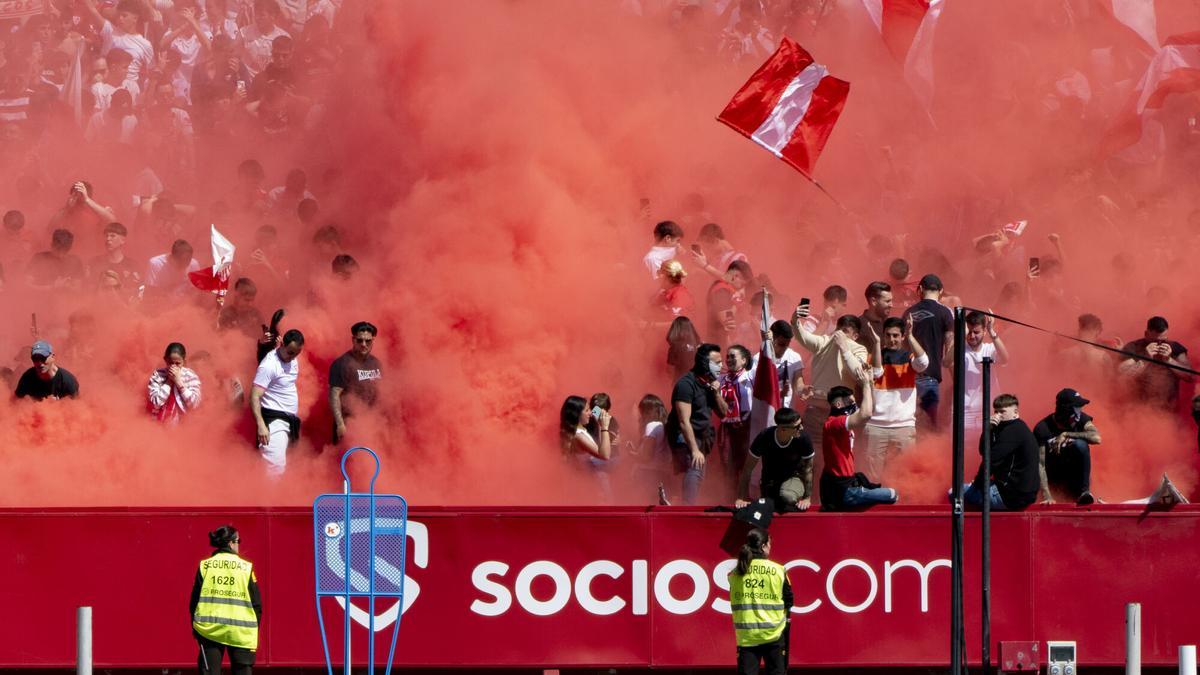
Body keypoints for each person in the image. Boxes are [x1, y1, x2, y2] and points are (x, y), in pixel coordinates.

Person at [792, 304, 869, 454]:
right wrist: (795, 319)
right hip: (815, 411)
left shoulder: (859, 349)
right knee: (809, 454)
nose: (839, 335)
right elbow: (802, 336)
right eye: (839, 330)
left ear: (855, 336)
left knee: (837, 455)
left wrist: (844, 348)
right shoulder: (823, 342)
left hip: (840, 413)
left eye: (845, 332)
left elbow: (858, 374)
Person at [864, 315, 929, 482]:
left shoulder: (909, 357)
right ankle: (876, 503)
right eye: (888, 335)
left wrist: (911, 335)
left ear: (902, 336)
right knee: (873, 475)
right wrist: (877, 343)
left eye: (895, 335)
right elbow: (876, 372)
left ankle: (905, 502)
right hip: (876, 425)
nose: (891, 340)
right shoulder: (875, 356)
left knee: (906, 472)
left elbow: (923, 362)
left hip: (904, 425)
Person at [191, 525, 261, 675]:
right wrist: (253, 629)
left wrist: (196, 628)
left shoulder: (205, 566)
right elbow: (256, 604)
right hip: (240, 631)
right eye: (238, 541)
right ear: (231, 543)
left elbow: (194, 601)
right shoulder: (246, 568)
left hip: (209, 630)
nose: (239, 545)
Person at [819, 379, 899, 509]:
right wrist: (866, 386)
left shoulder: (842, 422)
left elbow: (869, 409)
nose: (854, 406)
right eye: (851, 403)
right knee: (892, 495)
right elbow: (865, 414)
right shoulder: (834, 423)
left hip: (846, 485)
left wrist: (870, 383)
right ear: (839, 404)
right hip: (843, 491)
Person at [666, 343, 728, 504]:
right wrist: (694, 449)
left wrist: (716, 394)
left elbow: (723, 413)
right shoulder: (685, 385)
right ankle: (687, 508)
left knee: (699, 473)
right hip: (685, 437)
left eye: (721, 362)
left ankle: (684, 504)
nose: (721, 366)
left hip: (702, 437)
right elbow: (683, 421)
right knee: (695, 468)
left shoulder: (709, 384)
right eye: (717, 362)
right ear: (704, 363)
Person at [727, 528, 792, 675]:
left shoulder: (735, 573)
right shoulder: (778, 570)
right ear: (763, 546)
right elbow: (789, 601)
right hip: (774, 635)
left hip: (747, 637)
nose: (770, 547)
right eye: (769, 544)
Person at [962, 393, 1039, 511]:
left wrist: (978, 483)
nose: (997, 415)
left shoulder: (1013, 431)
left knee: (955, 492)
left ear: (1015, 412)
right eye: (996, 411)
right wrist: (988, 430)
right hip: (1019, 494)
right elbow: (983, 451)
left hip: (1010, 496)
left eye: (1002, 412)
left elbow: (991, 460)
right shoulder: (1013, 428)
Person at [736, 407, 815, 512]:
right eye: (797, 426)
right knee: (768, 507)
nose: (801, 428)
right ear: (783, 429)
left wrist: (807, 498)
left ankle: (795, 496)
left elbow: (808, 469)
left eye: (801, 423)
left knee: (788, 496)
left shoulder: (803, 438)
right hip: (769, 482)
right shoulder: (765, 437)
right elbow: (747, 469)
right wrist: (741, 498)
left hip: (794, 478)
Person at [1033, 388, 1102, 505]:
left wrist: (1067, 434)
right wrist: (1047, 495)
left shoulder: (1082, 419)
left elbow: (1097, 438)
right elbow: (1040, 464)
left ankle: (1084, 492)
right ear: (1065, 410)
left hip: (1074, 478)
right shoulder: (1042, 428)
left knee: (1081, 444)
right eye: (1076, 408)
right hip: (1054, 480)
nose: (1079, 413)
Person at [250, 329, 304, 476]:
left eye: (297, 353)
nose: (292, 357)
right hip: (273, 421)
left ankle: (281, 497)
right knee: (275, 467)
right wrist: (261, 425)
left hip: (289, 420)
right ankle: (270, 498)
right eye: (290, 352)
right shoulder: (269, 365)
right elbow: (254, 396)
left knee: (289, 467)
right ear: (282, 344)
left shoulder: (292, 359)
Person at [902, 274, 954, 429]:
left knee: (908, 425)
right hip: (930, 377)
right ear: (941, 291)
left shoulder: (908, 312)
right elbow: (949, 352)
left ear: (920, 289)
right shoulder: (946, 312)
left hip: (907, 378)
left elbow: (902, 346)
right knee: (928, 428)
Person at [1119, 317, 1193, 414]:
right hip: (1138, 410)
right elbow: (1122, 376)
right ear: (1146, 334)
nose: (1159, 344)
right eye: (1155, 341)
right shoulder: (1133, 347)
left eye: (1163, 340)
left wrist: (1169, 360)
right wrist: (1145, 358)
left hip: (1169, 411)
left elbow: (1189, 376)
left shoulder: (1175, 348)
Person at [329, 321, 384, 444]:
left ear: (373, 341)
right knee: (346, 462)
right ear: (353, 340)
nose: (364, 344)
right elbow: (334, 395)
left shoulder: (376, 364)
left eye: (368, 341)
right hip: (349, 425)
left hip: (370, 425)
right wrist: (340, 424)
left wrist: (380, 423)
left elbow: (381, 395)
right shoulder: (341, 364)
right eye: (360, 340)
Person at [559, 395, 614, 500]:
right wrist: (604, 427)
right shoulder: (579, 435)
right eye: (587, 410)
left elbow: (594, 413)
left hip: (591, 480)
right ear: (577, 414)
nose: (591, 413)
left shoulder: (581, 428)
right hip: (591, 484)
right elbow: (605, 455)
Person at [963, 311, 1009, 433]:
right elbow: (947, 362)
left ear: (984, 331)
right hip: (964, 411)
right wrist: (959, 337)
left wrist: (991, 331)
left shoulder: (989, 348)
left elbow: (1005, 358)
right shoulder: (960, 349)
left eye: (976, 332)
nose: (972, 336)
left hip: (989, 409)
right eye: (969, 332)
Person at [749, 320, 806, 409]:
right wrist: (777, 393)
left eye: (788, 344)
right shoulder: (759, 359)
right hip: (766, 411)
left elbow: (799, 383)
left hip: (786, 413)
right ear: (772, 339)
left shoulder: (794, 356)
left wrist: (802, 390)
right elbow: (758, 387)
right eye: (781, 344)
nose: (785, 348)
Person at [720, 344, 754, 488]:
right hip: (727, 428)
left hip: (747, 426)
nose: (728, 359)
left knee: (748, 465)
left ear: (744, 360)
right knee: (728, 467)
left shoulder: (751, 375)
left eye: (733, 356)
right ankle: (730, 500)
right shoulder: (721, 379)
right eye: (727, 356)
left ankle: (746, 498)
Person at [147, 342, 202, 423]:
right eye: (170, 363)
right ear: (165, 360)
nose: (173, 367)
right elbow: (155, 402)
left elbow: (194, 404)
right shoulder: (158, 375)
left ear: (184, 361)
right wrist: (169, 381)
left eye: (177, 363)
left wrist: (178, 382)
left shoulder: (190, 376)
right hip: (158, 426)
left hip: (183, 427)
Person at [706, 260, 752, 347]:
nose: (743, 286)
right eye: (743, 282)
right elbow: (727, 321)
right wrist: (737, 299)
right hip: (720, 345)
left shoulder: (727, 290)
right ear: (735, 276)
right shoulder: (721, 291)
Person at [89, 222, 141, 297]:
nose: (108, 239)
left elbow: (135, 293)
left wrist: (118, 284)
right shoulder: (94, 263)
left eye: (112, 236)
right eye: (106, 236)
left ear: (122, 240)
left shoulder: (133, 266)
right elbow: (88, 291)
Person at [15, 341, 79, 400]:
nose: (39, 363)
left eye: (43, 358)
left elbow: (76, 408)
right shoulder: (27, 378)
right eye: (35, 359)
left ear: (52, 357)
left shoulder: (67, 381)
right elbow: (15, 403)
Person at [857, 281, 893, 350]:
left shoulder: (891, 323)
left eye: (891, 301)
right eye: (887, 301)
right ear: (873, 301)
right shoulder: (859, 327)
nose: (891, 305)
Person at [665, 316, 701, 381]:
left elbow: (669, 370)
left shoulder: (675, 347)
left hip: (682, 383)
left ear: (675, 329)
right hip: (697, 383)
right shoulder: (699, 344)